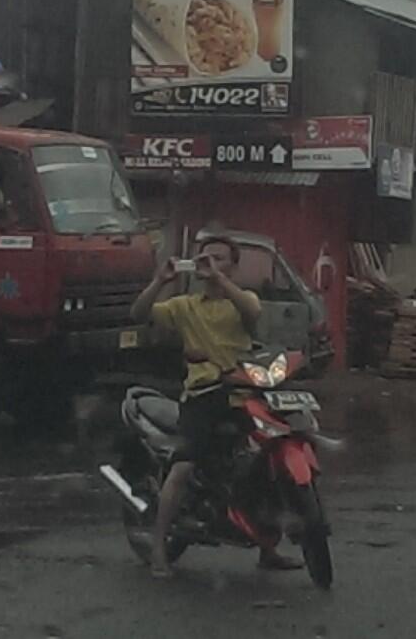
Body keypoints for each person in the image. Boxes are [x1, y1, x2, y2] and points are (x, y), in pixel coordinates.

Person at [129, 235, 302, 579]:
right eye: (203, 258)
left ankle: (267, 549)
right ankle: (160, 550)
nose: (208, 263)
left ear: (233, 267)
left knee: (266, 461)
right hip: (202, 395)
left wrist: (221, 280)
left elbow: (252, 313)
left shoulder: (243, 301)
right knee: (182, 467)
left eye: (219, 258)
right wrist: (160, 281)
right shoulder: (185, 305)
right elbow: (139, 314)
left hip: (243, 394)